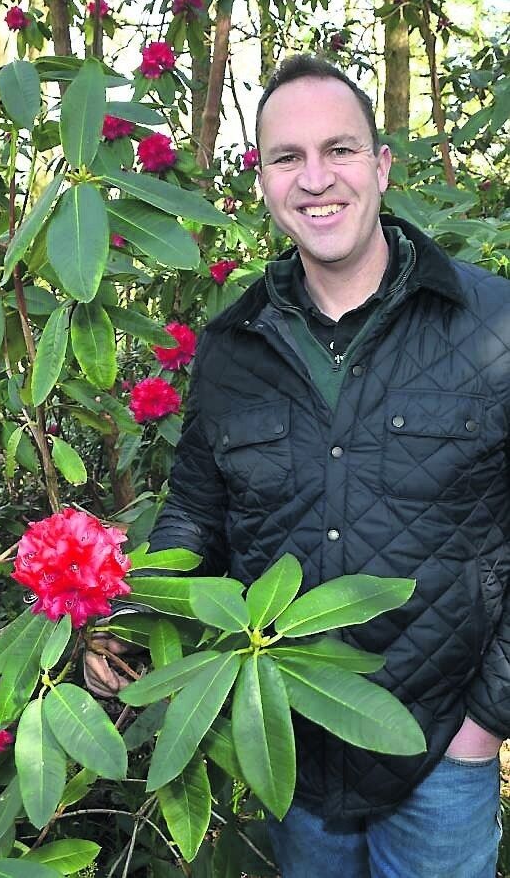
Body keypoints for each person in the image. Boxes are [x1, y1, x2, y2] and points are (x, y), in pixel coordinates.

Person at [85, 54, 510, 877]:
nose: (315, 178)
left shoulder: (493, 321)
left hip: (440, 753)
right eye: (287, 157)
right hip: (288, 748)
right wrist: (128, 605)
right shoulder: (229, 347)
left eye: (339, 150)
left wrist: (484, 724)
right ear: (264, 184)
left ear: (382, 166)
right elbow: (196, 514)